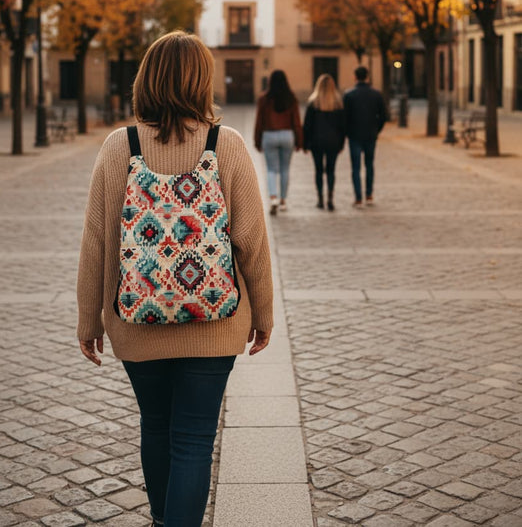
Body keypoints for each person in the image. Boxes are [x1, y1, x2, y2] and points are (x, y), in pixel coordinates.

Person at [77, 31, 273, 527]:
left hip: (136, 323)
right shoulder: (224, 145)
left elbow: (96, 241)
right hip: (215, 323)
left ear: (146, 79)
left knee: (157, 427)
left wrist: (88, 320)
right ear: (201, 82)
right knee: (193, 438)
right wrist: (264, 314)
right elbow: (250, 239)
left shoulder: (117, 147)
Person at [254, 69, 303, 215]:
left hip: (269, 135)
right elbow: (297, 121)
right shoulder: (291, 98)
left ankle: (273, 198)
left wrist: (257, 140)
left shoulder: (264, 98)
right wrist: (300, 141)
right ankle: (283, 201)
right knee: (284, 169)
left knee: (271, 169)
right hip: (287, 135)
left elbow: (259, 122)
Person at [343, 65, 388, 207]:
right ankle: (369, 195)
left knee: (355, 167)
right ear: (367, 77)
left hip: (354, 136)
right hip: (370, 135)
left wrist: (347, 132)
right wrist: (376, 129)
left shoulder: (349, 95)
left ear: (355, 77)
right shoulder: (376, 94)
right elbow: (383, 116)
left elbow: (344, 117)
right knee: (369, 165)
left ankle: (358, 198)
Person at [303, 74, 346, 211]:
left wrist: (305, 143)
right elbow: (342, 127)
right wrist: (341, 144)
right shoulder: (338, 103)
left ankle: (320, 199)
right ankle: (330, 199)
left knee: (319, 170)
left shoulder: (313, 103)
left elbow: (307, 126)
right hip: (333, 142)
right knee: (331, 170)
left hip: (317, 142)